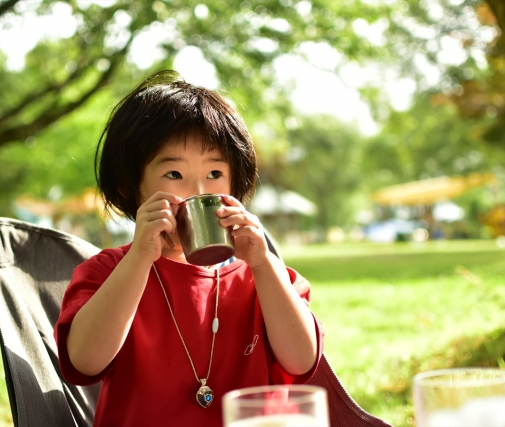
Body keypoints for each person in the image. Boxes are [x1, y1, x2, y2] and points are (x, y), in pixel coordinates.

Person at [54, 70, 324, 427]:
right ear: (128, 188)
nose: (198, 192)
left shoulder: (265, 276)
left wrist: (263, 265)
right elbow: (85, 361)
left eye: (214, 174)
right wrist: (140, 258)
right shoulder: (108, 272)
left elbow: (302, 361)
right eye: (174, 175)